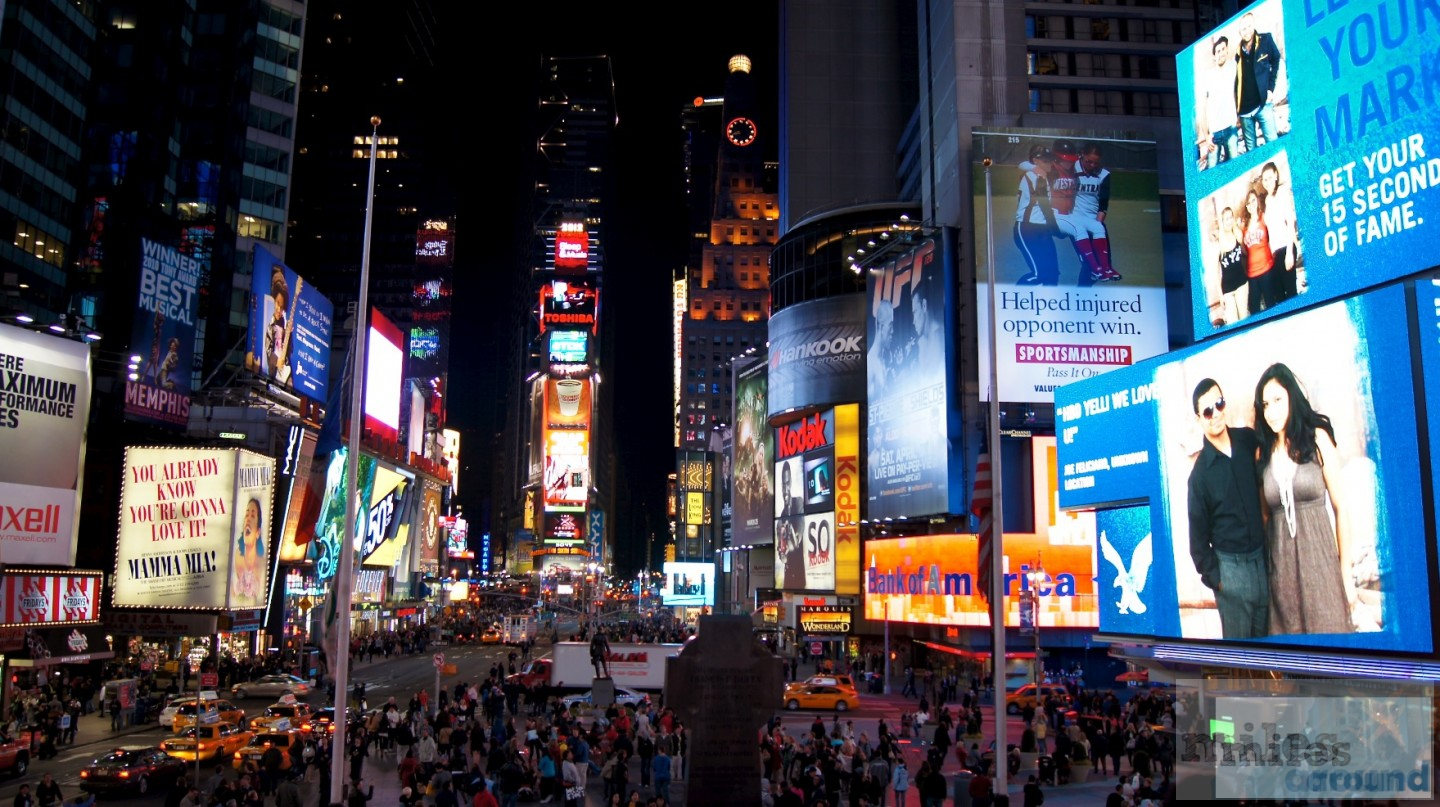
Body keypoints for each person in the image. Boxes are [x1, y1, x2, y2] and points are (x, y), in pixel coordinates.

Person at [1254, 363, 1356, 634]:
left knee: (1333, 661)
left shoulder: (1317, 438)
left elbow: (1341, 507)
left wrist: (1346, 574)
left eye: (1278, 400)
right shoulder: (1262, 454)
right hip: (1282, 578)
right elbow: (1265, 519)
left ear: (1292, 397)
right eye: (1265, 404)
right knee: (1291, 668)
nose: (1271, 411)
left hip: (1321, 569)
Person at [1188, 378, 1270, 638]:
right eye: (1207, 411)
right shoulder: (1199, 476)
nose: (1215, 415)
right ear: (1199, 418)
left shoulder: (1247, 440)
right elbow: (1198, 545)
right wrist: (1221, 581)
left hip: (1263, 563)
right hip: (1230, 571)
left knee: (1270, 657)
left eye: (1218, 404)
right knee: (1240, 667)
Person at [1052, 140, 1121, 285]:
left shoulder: (1104, 175)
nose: (1092, 166)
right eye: (1089, 161)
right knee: (1088, 263)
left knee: (1104, 266)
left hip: (1094, 220)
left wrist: (1098, 222)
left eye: (1096, 163)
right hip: (1074, 219)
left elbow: (1103, 203)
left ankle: (1084, 294)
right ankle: (1081, 295)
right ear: (1082, 155)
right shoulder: (1072, 168)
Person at [1234, 12, 1284, 151]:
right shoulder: (1238, 53)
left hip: (1263, 105)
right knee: (1252, 156)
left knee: (1274, 147)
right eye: (1243, 28)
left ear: (1253, 25)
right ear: (1240, 32)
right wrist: (1237, 111)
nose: (1247, 31)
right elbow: (1237, 83)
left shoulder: (1265, 40)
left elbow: (1276, 60)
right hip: (1245, 113)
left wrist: (1270, 89)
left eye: (1249, 26)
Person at [1013, 145, 1061, 286]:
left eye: (1050, 160)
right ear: (1036, 161)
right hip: (1027, 229)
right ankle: (1013, 300)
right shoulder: (1034, 177)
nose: (1049, 163)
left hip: (1042, 229)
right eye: (1045, 161)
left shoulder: (1045, 174)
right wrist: (1056, 228)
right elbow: (1045, 206)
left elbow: (1023, 164)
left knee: (1052, 274)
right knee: (1038, 275)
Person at [1196, 35, 1240, 169]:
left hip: (1231, 128)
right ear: (1214, 56)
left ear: (1227, 50)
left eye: (1223, 49)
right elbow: (1201, 108)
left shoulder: (1234, 67)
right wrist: (1206, 135)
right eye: (1218, 51)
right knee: (1213, 171)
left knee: (1234, 168)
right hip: (1214, 133)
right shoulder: (1208, 77)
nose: (1221, 53)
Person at [1259, 161, 1299, 303]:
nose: (1267, 182)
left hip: (1285, 249)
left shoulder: (1282, 192)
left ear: (1276, 175)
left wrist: (1289, 252)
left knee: (1292, 295)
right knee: (1280, 298)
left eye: (1270, 178)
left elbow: (1290, 223)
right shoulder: (1267, 200)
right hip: (1274, 254)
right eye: (1264, 179)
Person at [1238, 189, 1275, 316]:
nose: (1251, 205)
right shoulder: (1245, 227)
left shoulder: (1264, 217)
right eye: (1248, 203)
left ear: (1258, 201)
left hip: (1266, 269)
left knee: (1271, 305)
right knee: (1254, 310)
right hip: (1252, 274)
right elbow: (1243, 250)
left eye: (1253, 200)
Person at [1213, 206, 1248, 325]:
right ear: (1222, 221)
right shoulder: (1218, 243)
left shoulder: (1237, 234)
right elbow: (1216, 272)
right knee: (1234, 324)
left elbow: (1245, 252)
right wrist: (1220, 295)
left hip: (1242, 284)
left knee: (1244, 320)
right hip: (1227, 289)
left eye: (1230, 217)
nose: (1229, 221)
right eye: (1226, 219)